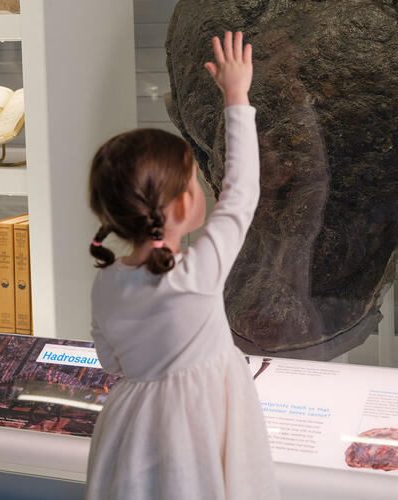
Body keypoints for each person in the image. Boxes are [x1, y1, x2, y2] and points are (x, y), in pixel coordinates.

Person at [85, 31, 280, 500]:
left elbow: (110, 361)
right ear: (178, 205)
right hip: (196, 430)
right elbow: (241, 193)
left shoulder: (107, 283)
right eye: (193, 179)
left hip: (128, 431)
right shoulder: (195, 276)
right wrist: (237, 96)